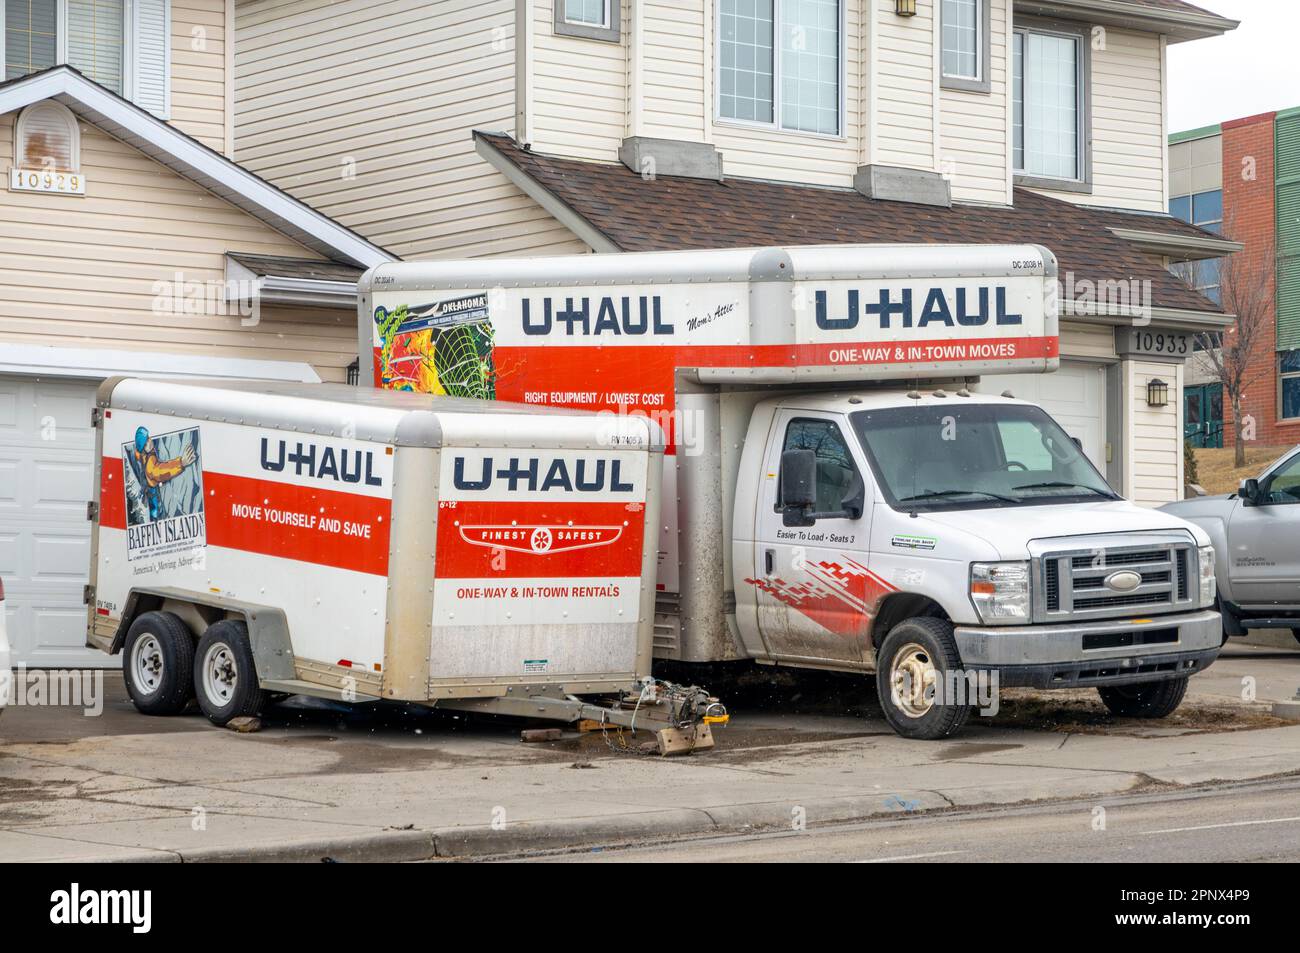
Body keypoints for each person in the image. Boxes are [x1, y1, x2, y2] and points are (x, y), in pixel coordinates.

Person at [128, 427, 196, 521]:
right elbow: (161, 471)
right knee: (157, 515)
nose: (150, 441)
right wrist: (181, 463)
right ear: (143, 449)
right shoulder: (150, 465)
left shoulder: (144, 455)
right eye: (147, 442)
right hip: (154, 498)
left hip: (152, 493)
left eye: (149, 438)